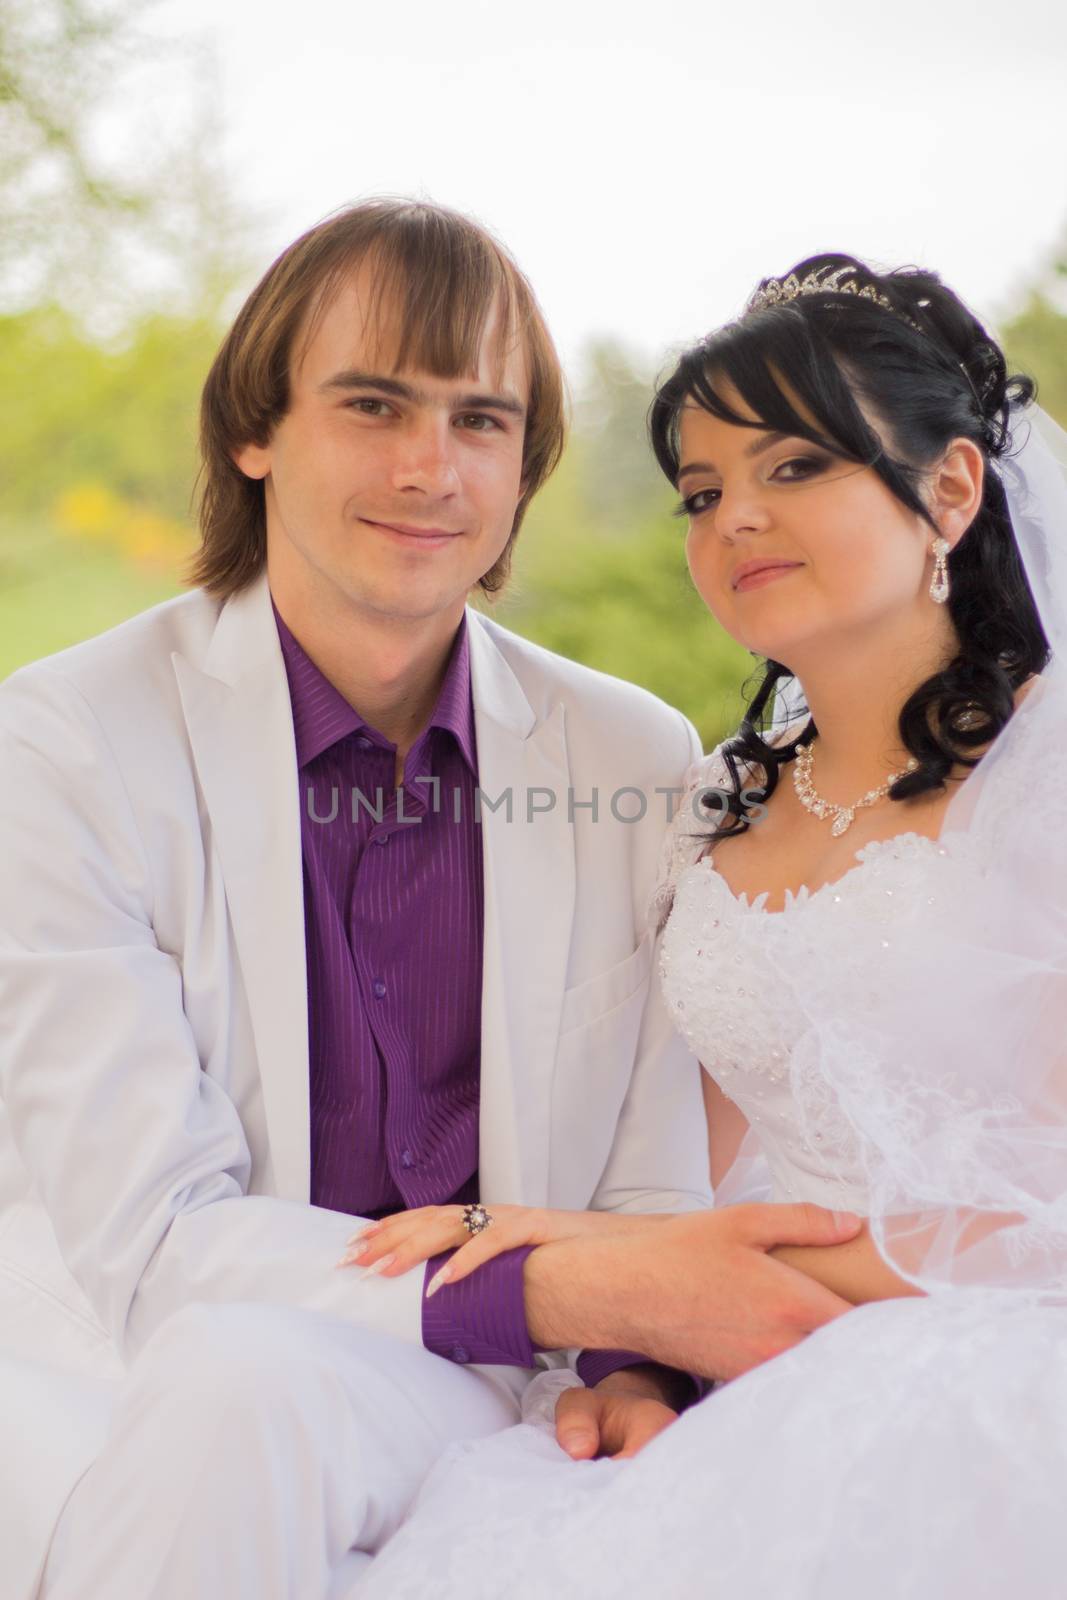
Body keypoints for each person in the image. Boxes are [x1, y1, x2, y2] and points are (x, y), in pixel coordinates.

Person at [0, 204, 861, 1600]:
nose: (429, 467)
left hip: (483, 1385)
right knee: (239, 1379)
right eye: (373, 404)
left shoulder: (628, 753)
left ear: (525, 469)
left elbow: (648, 1166)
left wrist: (632, 1361)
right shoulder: (63, 746)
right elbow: (159, 1244)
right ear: (252, 430)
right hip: (173, 1353)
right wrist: (587, 1289)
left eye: (481, 420)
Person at [346, 253, 1067, 1599]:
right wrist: (643, 1344)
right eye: (701, 490)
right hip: (741, 1356)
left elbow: (1042, 1222)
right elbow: (686, 1160)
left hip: (998, 1357)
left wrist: (625, 1262)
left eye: (795, 467)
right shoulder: (708, 813)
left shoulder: (1053, 783)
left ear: (951, 490)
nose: (737, 518)